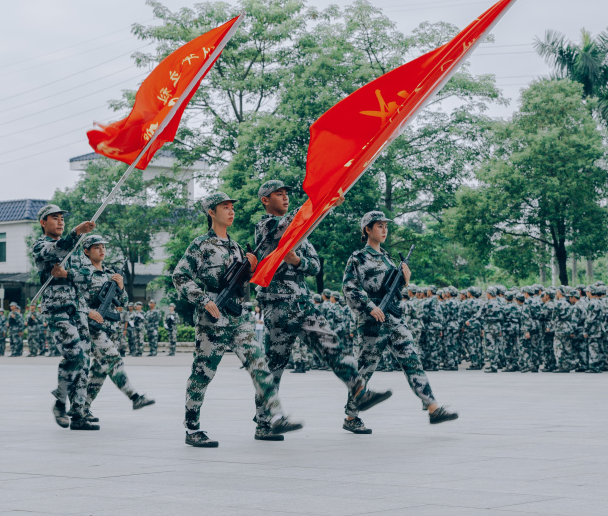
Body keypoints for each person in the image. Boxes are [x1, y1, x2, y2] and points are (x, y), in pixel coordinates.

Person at [251, 180, 391, 439]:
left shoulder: (300, 236)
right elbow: (290, 225)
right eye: (278, 194)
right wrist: (322, 202)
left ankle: (358, 391)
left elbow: (315, 265)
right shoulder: (266, 226)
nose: (285, 198)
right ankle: (264, 422)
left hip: (302, 301)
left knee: (330, 343)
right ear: (265, 200)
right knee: (274, 365)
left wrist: (299, 260)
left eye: (286, 194)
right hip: (277, 303)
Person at [172, 191, 303, 448]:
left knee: (259, 363)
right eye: (225, 207)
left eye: (232, 207)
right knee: (203, 372)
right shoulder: (201, 245)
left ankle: (276, 416)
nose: (231, 211)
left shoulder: (236, 247)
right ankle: (192, 427)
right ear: (211, 212)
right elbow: (180, 276)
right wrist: (203, 299)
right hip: (213, 317)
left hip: (239, 316)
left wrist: (251, 268)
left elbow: (244, 282)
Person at [342, 211, 458, 432]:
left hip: (394, 318)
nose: (384, 230)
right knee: (365, 368)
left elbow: (393, 288)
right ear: (367, 229)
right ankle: (351, 417)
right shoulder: (358, 258)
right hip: (372, 319)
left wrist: (405, 280)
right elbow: (349, 288)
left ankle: (433, 408)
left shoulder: (388, 257)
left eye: (386, 226)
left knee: (412, 359)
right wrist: (370, 306)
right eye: (379, 226)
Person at [31, 204, 99, 431]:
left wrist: (67, 274)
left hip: (78, 309)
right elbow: (55, 251)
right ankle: (60, 401)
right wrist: (77, 232)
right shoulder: (40, 245)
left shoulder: (76, 248)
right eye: (54, 218)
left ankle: (78, 414)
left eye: (62, 218)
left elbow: (88, 275)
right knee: (75, 355)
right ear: (43, 222)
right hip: (57, 309)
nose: (60, 221)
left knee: (84, 361)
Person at [77, 234, 155, 421]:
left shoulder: (109, 274)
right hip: (91, 328)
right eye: (97, 247)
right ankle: (135, 397)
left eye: (103, 247)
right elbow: (73, 299)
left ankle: (81, 409)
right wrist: (88, 312)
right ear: (86, 251)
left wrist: (121, 287)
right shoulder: (83, 273)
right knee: (113, 360)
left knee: (99, 371)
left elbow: (123, 302)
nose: (102, 250)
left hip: (109, 328)